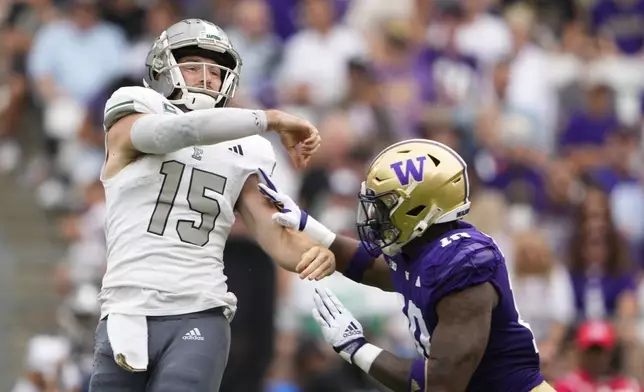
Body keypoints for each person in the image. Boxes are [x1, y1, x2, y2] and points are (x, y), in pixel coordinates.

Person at [90, 18, 335, 392]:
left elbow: (275, 236)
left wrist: (323, 253)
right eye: (191, 67)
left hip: (198, 310)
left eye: (215, 72)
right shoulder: (133, 108)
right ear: (162, 69)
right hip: (125, 310)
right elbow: (175, 132)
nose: (205, 78)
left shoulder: (245, 149)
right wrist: (269, 118)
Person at [258, 138, 554, 391]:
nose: (374, 216)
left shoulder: (464, 264)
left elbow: (440, 383)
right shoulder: (424, 247)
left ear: (418, 207)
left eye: (384, 206)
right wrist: (307, 224)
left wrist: (356, 348)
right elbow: (375, 267)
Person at [555, 320, 640, 392]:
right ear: (580, 352)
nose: (595, 357)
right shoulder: (567, 385)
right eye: (590, 351)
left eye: (600, 351)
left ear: (610, 353)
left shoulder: (627, 386)